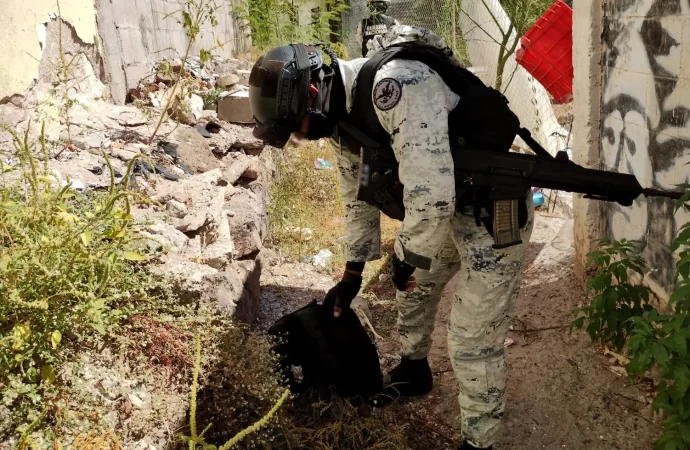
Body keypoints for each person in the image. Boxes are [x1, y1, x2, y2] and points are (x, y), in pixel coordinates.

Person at [247, 28, 534, 450]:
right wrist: (352, 273)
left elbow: (431, 200)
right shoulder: (343, 122)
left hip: (492, 212)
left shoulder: (398, 86)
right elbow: (357, 198)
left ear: (313, 93)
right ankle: (415, 371)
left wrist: (404, 259)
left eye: (298, 128)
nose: (302, 137)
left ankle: (480, 442)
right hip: (448, 212)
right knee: (415, 294)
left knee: (472, 337)